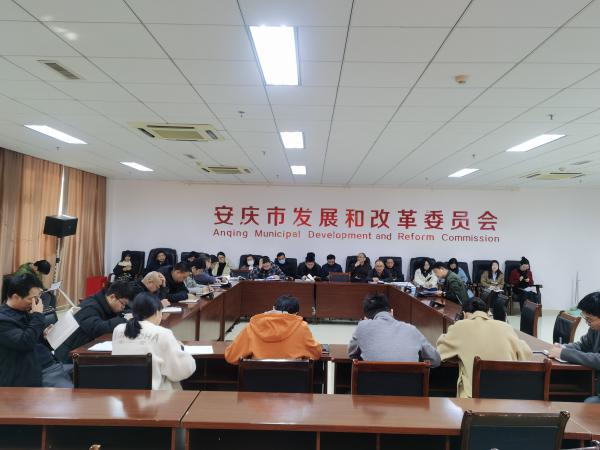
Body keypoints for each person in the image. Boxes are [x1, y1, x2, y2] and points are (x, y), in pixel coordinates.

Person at [437, 298, 532, 398]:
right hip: (507, 398)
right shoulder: (506, 327)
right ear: (488, 313)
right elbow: (527, 354)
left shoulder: (460, 326)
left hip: (473, 400)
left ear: (464, 315)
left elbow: (439, 352)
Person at [112, 293, 196, 390]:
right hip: (153, 395)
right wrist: (181, 347)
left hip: (122, 393)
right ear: (157, 312)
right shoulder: (162, 333)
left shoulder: (118, 329)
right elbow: (182, 370)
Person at [0, 274, 72, 387]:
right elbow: (25, 343)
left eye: (38, 297)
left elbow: (33, 339)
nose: (36, 302)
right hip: (36, 372)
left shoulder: (25, 312)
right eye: (31, 299)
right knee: (72, 394)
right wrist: (38, 315)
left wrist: (44, 336)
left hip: (52, 363)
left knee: (90, 373)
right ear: (16, 297)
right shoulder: (3, 320)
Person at [224, 295, 321, 364]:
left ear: (273, 307)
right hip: (292, 383)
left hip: (258, 383)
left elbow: (231, 357)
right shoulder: (302, 327)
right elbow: (316, 354)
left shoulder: (252, 326)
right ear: (296, 313)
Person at [348, 293, 440, 366]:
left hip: (372, 384)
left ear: (366, 317)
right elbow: (435, 360)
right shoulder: (411, 329)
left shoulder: (363, 326)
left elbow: (351, 354)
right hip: (409, 384)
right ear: (391, 312)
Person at [54, 281, 133, 363]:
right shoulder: (89, 307)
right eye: (123, 304)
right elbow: (97, 329)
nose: (123, 307)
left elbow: (125, 311)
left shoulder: (103, 303)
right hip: (70, 356)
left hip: (85, 349)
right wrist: (124, 320)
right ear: (112, 297)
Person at [548, 292, 600, 403]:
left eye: (590, 319)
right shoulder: (595, 329)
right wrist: (563, 347)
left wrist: (564, 354)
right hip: (594, 381)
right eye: (586, 319)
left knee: (588, 403)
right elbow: (583, 345)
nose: (587, 323)